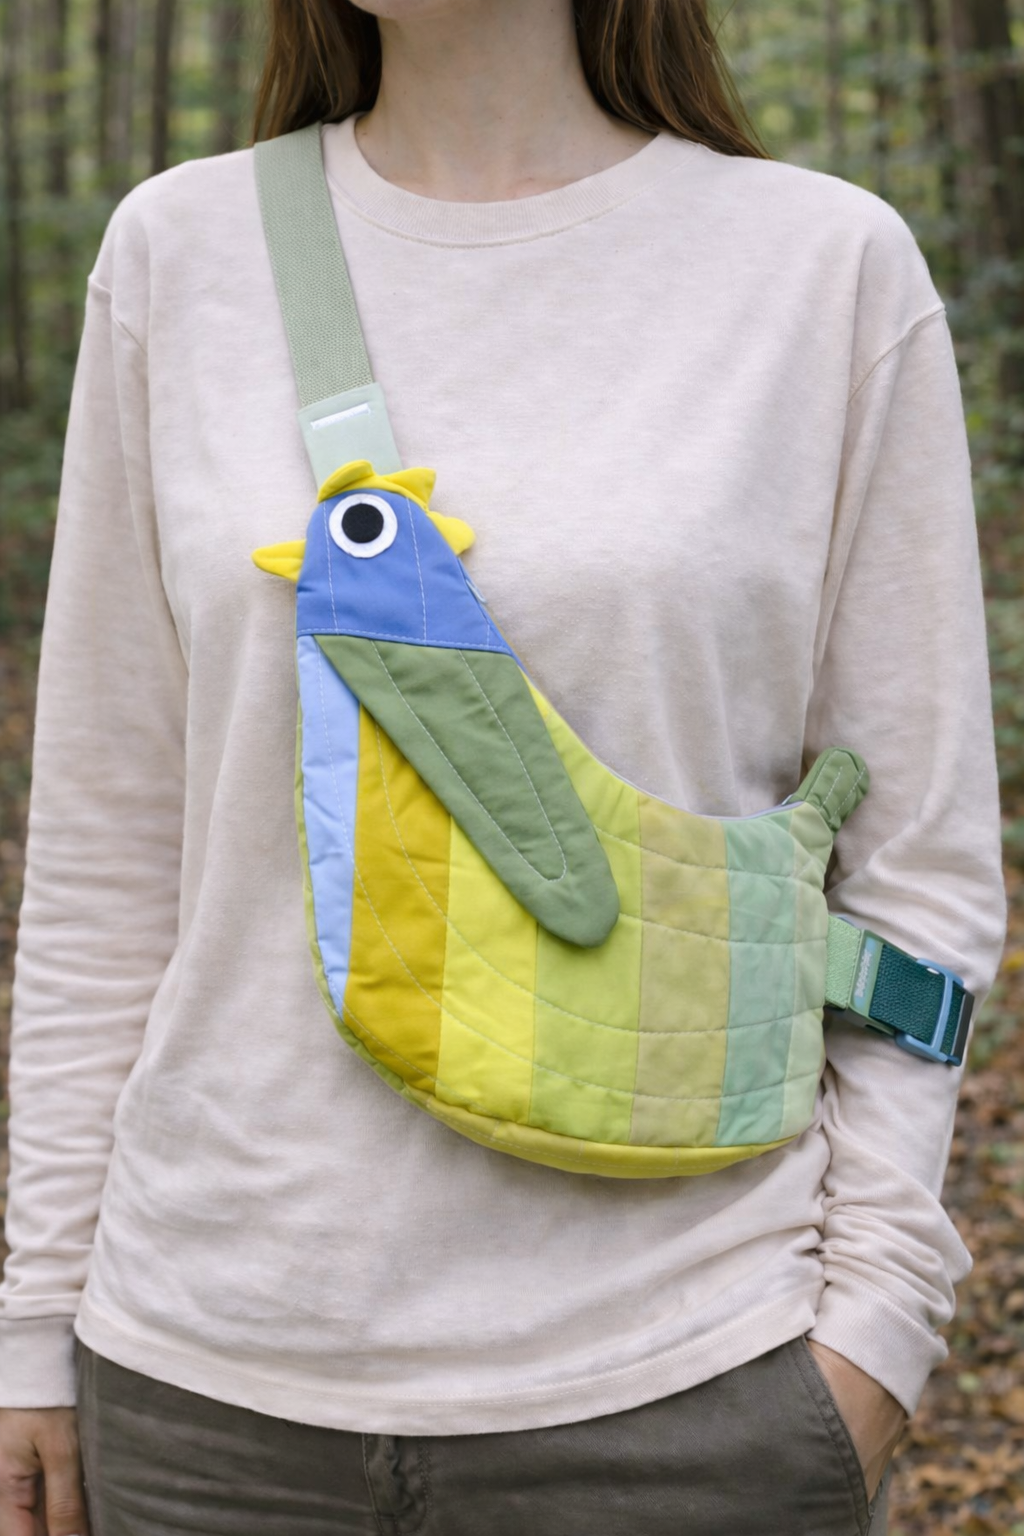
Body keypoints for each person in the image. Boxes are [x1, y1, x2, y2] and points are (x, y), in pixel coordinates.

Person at [0, 1, 1006, 1532]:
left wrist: (875, 1325)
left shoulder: (823, 269)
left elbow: (918, 863)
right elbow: (106, 853)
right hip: (203, 1401)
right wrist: (33, 1316)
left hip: (685, 1393)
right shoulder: (180, 253)